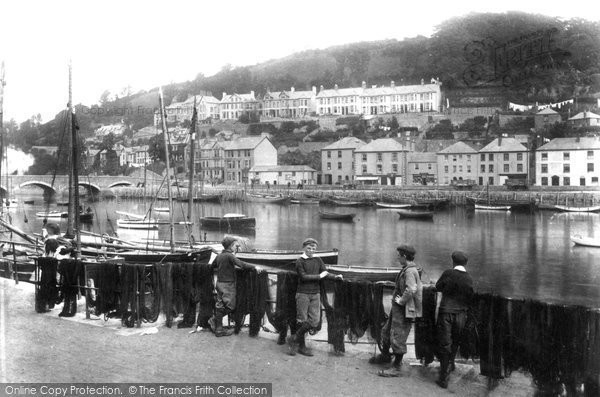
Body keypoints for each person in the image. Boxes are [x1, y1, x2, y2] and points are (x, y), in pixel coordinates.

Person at [373, 244, 423, 377]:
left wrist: (401, 301)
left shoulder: (410, 271)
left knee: (397, 337)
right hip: (397, 310)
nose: (397, 257)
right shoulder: (407, 269)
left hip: (403, 310)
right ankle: (385, 357)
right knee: (386, 331)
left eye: (398, 255)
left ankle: (397, 368)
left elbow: (411, 289)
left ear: (404, 256)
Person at [288, 238, 342, 357]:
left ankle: (294, 338)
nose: (311, 250)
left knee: (315, 320)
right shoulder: (300, 261)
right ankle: (302, 346)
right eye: (309, 248)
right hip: (302, 293)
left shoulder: (318, 260)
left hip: (315, 293)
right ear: (304, 248)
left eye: (313, 248)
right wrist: (319, 276)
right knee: (301, 320)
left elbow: (325, 273)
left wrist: (335, 277)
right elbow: (303, 277)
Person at [435, 251, 474, 389]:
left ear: (453, 262)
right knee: (456, 340)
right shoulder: (469, 278)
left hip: (446, 312)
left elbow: (437, 287)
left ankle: (443, 376)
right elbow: (471, 296)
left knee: (445, 343)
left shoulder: (448, 273)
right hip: (461, 314)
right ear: (465, 263)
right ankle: (451, 364)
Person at [208, 236, 261, 337]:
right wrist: (254, 267)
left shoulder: (219, 256)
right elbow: (241, 264)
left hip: (219, 283)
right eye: (234, 245)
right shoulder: (230, 256)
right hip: (228, 284)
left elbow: (212, 266)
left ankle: (219, 329)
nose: (235, 247)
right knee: (231, 306)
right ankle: (214, 320)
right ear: (230, 246)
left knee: (220, 304)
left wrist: (223, 268)